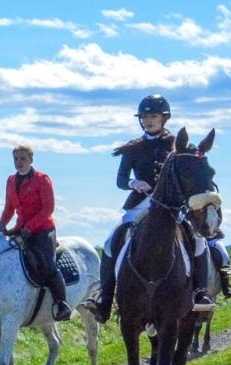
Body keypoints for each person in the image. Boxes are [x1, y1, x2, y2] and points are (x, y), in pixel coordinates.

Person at [86, 93, 214, 322]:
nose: (148, 120)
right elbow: (120, 180)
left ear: (164, 118)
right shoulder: (132, 148)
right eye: (144, 117)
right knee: (110, 241)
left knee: (198, 241)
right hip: (140, 202)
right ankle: (105, 299)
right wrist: (134, 183)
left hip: (172, 204)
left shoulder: (180, 144)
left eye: (153, 116)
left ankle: (200, 293)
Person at [0, 144, 73, 321]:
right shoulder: (10, 180)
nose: (19, 162)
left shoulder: (42, 179)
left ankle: (61, 303)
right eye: (16, 158)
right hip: (21, 228)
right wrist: (2, 223)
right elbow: (9, 207)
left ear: (31, 159)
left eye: (23, 158)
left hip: (42, 229)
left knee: (47, 265)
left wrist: (30, 227)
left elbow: (48, 208)